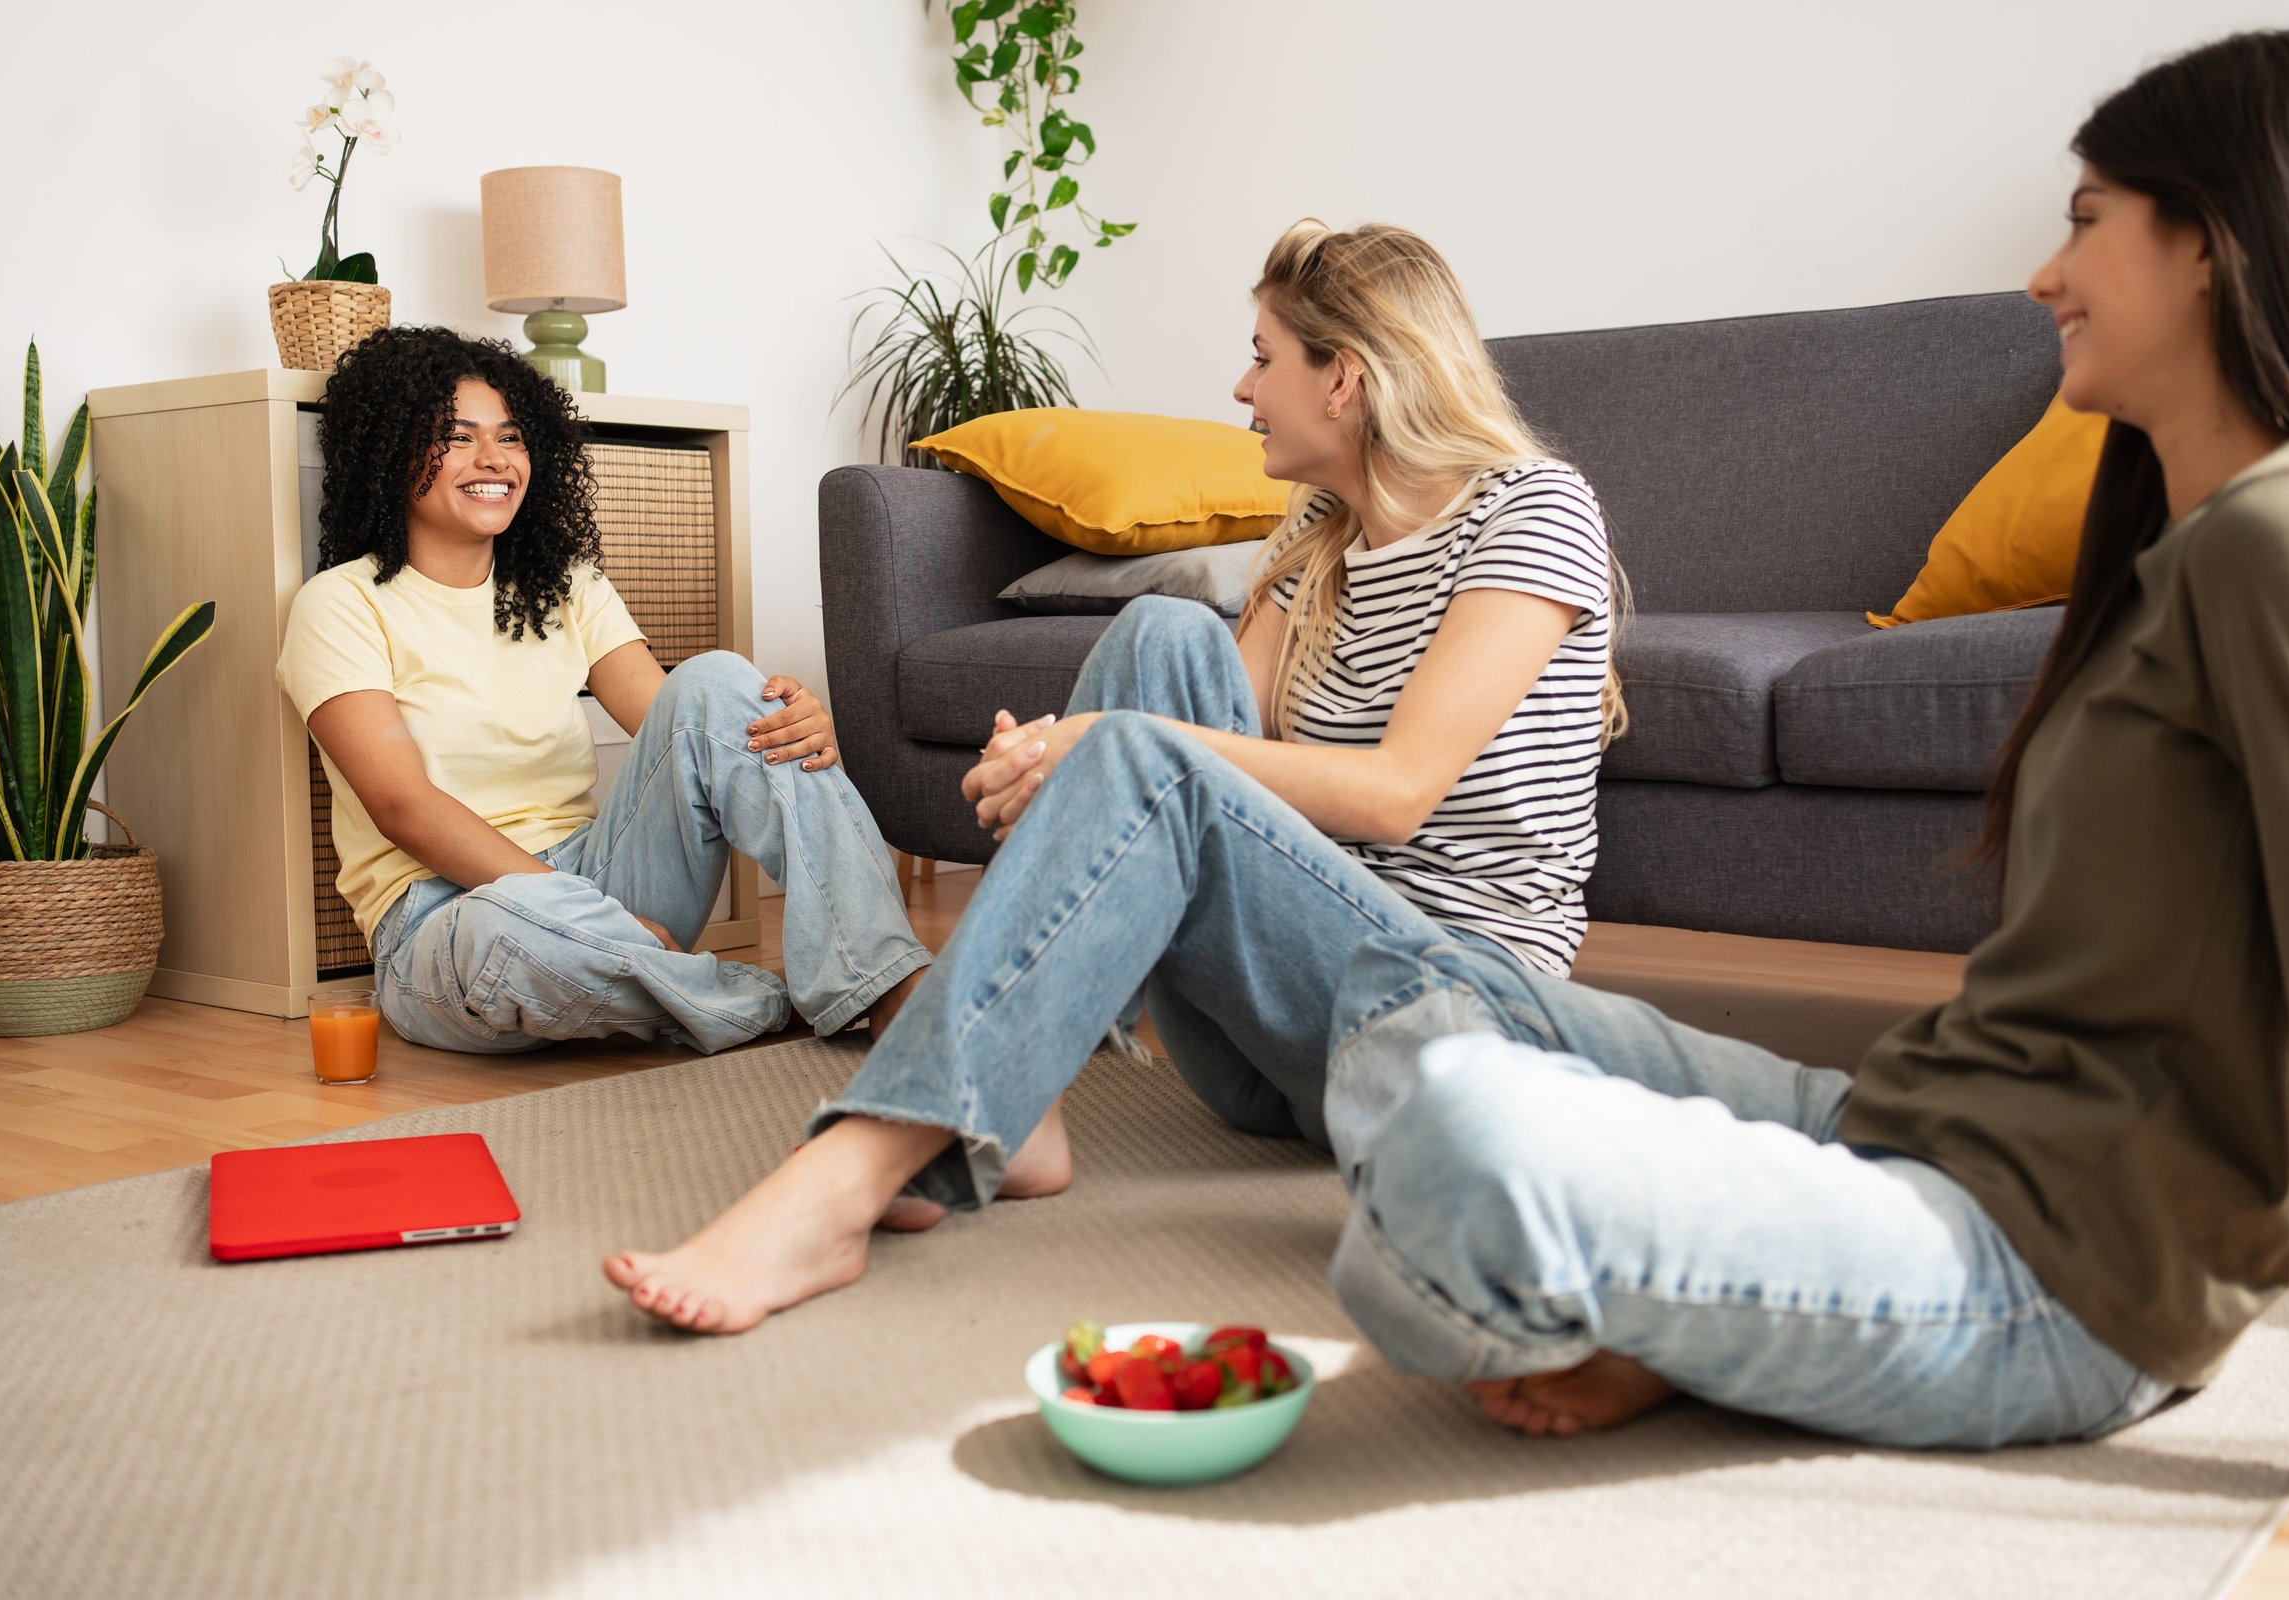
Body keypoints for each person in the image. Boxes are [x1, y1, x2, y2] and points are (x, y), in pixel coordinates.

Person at [1312, 28, 2289, 1449]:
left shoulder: (2275, 538)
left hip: (2056, 1273)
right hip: (1920, 1120)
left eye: (2086, 223)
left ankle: (1715, 1296)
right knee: (1414, 990)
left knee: (1463, 1135)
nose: (2046, 276)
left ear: (2212, 245)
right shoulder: (2170, 549)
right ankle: (1725, 1299)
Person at [603, 221, 1632, 1331]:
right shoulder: (1322, 536)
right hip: (1275, 1038)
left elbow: (1395, 792)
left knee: (1137, 738)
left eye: (1265, 356)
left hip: (1449, 1029)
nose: (1243, 387)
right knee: (1160, 639)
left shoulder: (1532, 508)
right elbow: (1211, 768)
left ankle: (841, 1185)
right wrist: (1067, 769)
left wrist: (1101, 748)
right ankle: (1018, 1092)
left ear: (1345, 377)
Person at [276, 326, 929, 1058]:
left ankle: (881, 982)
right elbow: (404, 806)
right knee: (508, 938)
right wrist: (581, 919)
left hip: (599, 876)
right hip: (448, 918)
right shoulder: (340, 603)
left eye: (511, 437)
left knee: (717, 679)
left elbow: (688, 728)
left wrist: (786, 724)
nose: (493, 460)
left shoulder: (568, 586)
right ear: (391, 451)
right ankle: (757, 1001)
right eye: (457, 437)